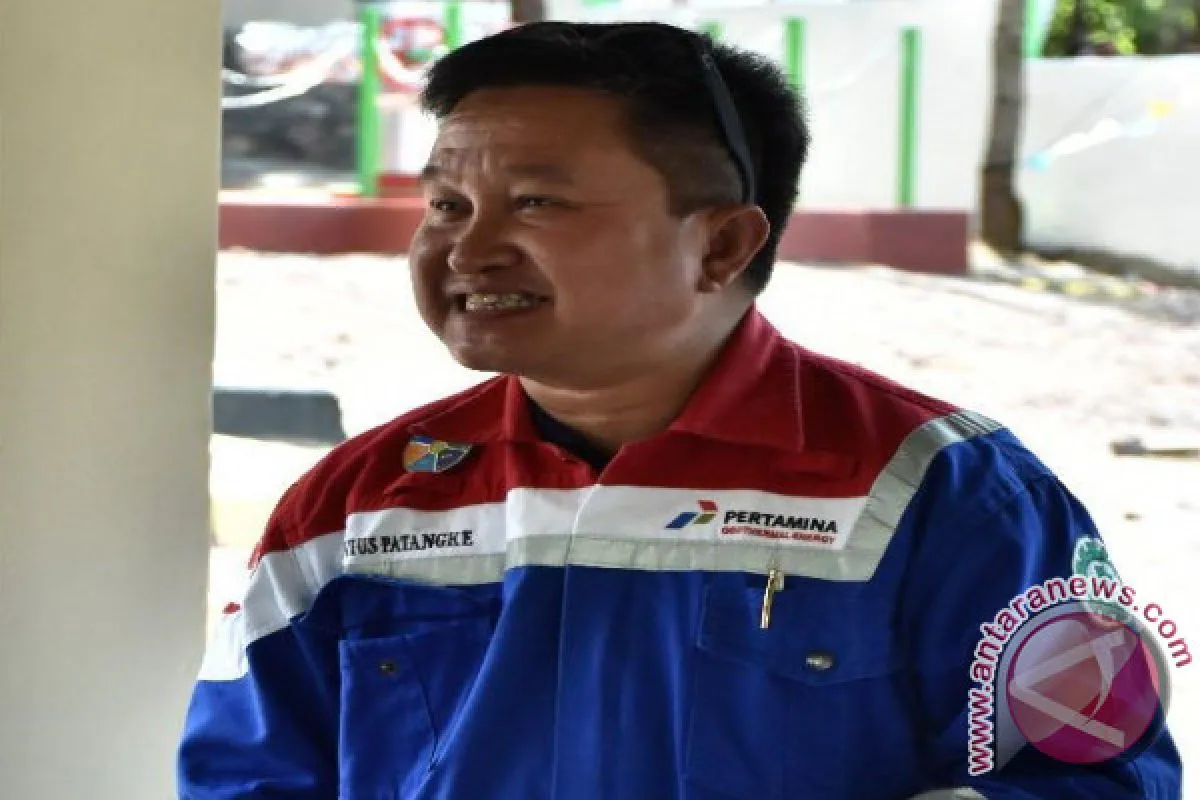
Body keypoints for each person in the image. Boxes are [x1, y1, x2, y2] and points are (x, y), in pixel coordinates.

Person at [178, 21, 1182, 800]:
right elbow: (244, 775)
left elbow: (1090, 777)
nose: (468, 249)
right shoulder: (356, 503)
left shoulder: (944, 493)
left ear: (722, 244)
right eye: (446, 204)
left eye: (536, 202)